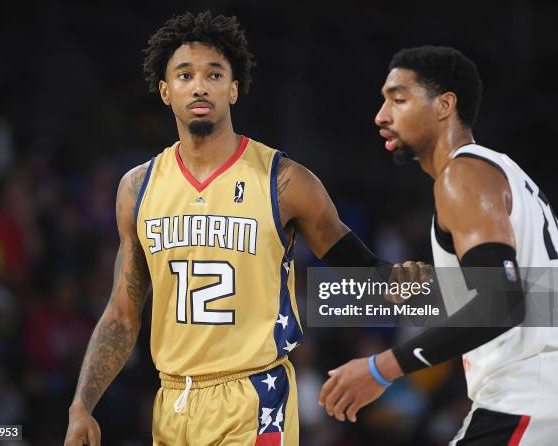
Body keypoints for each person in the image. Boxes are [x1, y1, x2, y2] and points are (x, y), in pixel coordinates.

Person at [63, 12, 425, 446]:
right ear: (165, 91)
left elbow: (360, 267)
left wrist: (433, 289)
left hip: (255, 396)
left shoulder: (285, 181)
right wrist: (81, 405)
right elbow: (122, 315)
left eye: (214, 75)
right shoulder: (137, 188)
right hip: (173, 401)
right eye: (185, 75)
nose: (200, 86)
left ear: (232, 89)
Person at [319, 45, 558, 445]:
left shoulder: (461, 177)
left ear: (445, 105)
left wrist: (381, 369)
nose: (381, 115)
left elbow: (501, 304)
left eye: (398, 99)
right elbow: (535, 298)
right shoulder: (501, 173)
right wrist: (430, 294)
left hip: (527, 398)